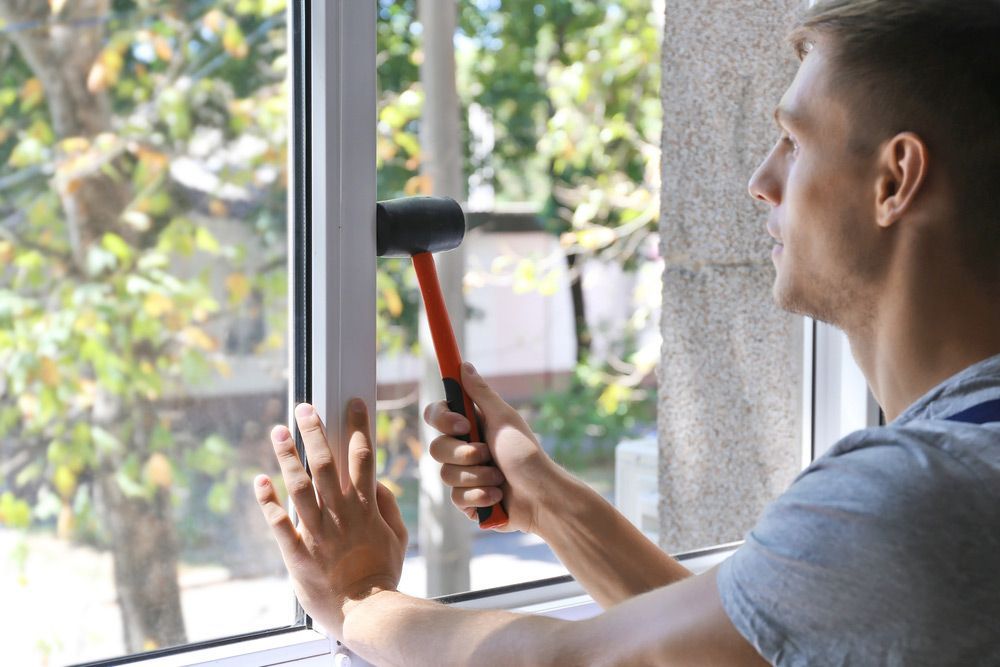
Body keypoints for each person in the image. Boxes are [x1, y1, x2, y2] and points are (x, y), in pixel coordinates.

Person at [252, 1, 1000, 664]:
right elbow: (739, 647)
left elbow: (580, 662)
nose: (761, 181)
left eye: (795, 142)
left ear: (895, 179)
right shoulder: (961, 463)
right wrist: (546, 499)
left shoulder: (911, 493)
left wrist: (358, 598)